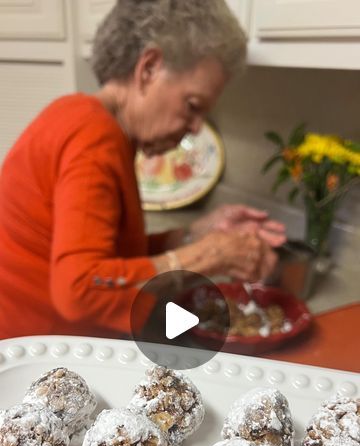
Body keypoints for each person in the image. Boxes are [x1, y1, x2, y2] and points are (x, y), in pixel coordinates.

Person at [0, 0, 286, 340]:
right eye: (192, 106)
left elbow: (111, 256)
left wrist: (194, 234)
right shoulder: (93, 136)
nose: (197, 129)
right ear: (148, 69)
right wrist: (212, 254)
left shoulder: (84, 118)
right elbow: (80, 290)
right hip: (28, 352)